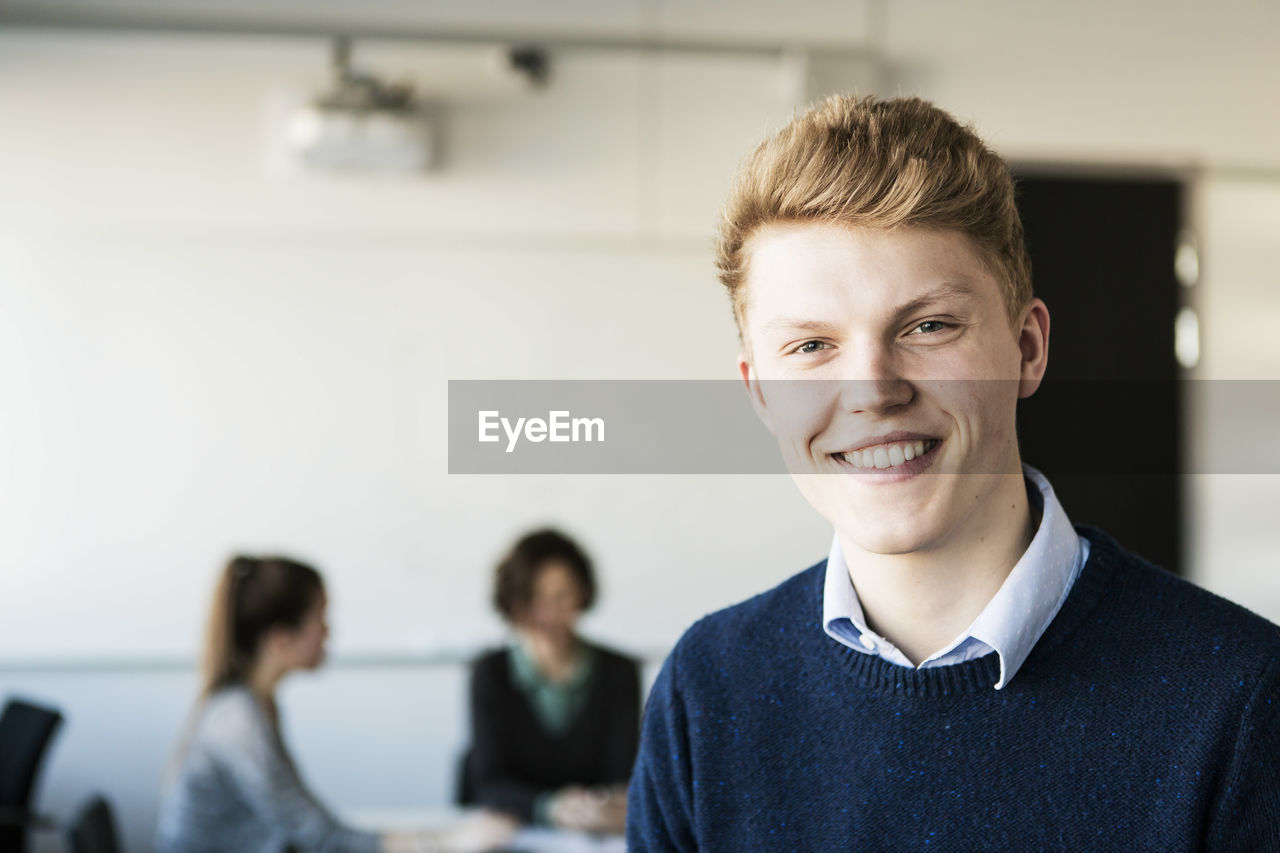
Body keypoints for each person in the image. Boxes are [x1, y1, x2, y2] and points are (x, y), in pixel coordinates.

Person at [627, 95, 1280, 850]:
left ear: (1028, 348)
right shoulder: (707, 688)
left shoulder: (1240, 699)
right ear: (761, 392)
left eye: (927, 326)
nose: (873, 390)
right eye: (811, 347)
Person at [157, 555, 515, 853]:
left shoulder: (254, 706)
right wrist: (444, 842)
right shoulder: (237, 723)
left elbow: (308, 829)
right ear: (281, 639)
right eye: (321, 618)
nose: (329, 633)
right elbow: (321, 837)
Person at [464, 528, 640, 834]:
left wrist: (604, 806)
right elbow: (489, 784)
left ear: (583, 594)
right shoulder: (490, 672)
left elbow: (624, 776)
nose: (548, 615)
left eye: (561, 596)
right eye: (534, 600)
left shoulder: (619, 672)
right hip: (514, 832)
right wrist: (551, 807)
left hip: (596, 834)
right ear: (514, 603)